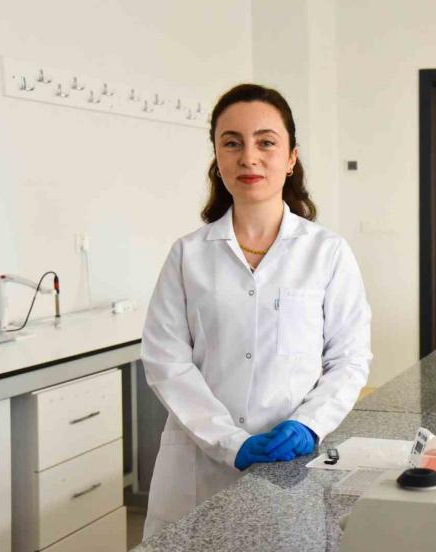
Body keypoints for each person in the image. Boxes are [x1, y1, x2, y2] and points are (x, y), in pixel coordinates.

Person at [140, 83, 372, 538]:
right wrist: (231, 442)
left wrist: (308, 425)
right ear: (217, 157)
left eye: (266, 142)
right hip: (198, 470)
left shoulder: (326, 252)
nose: (249, 157)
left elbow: (349, 358)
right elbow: (166, 361)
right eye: (232, 143)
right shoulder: (188, 255)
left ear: (291, 158)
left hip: (292, 466)